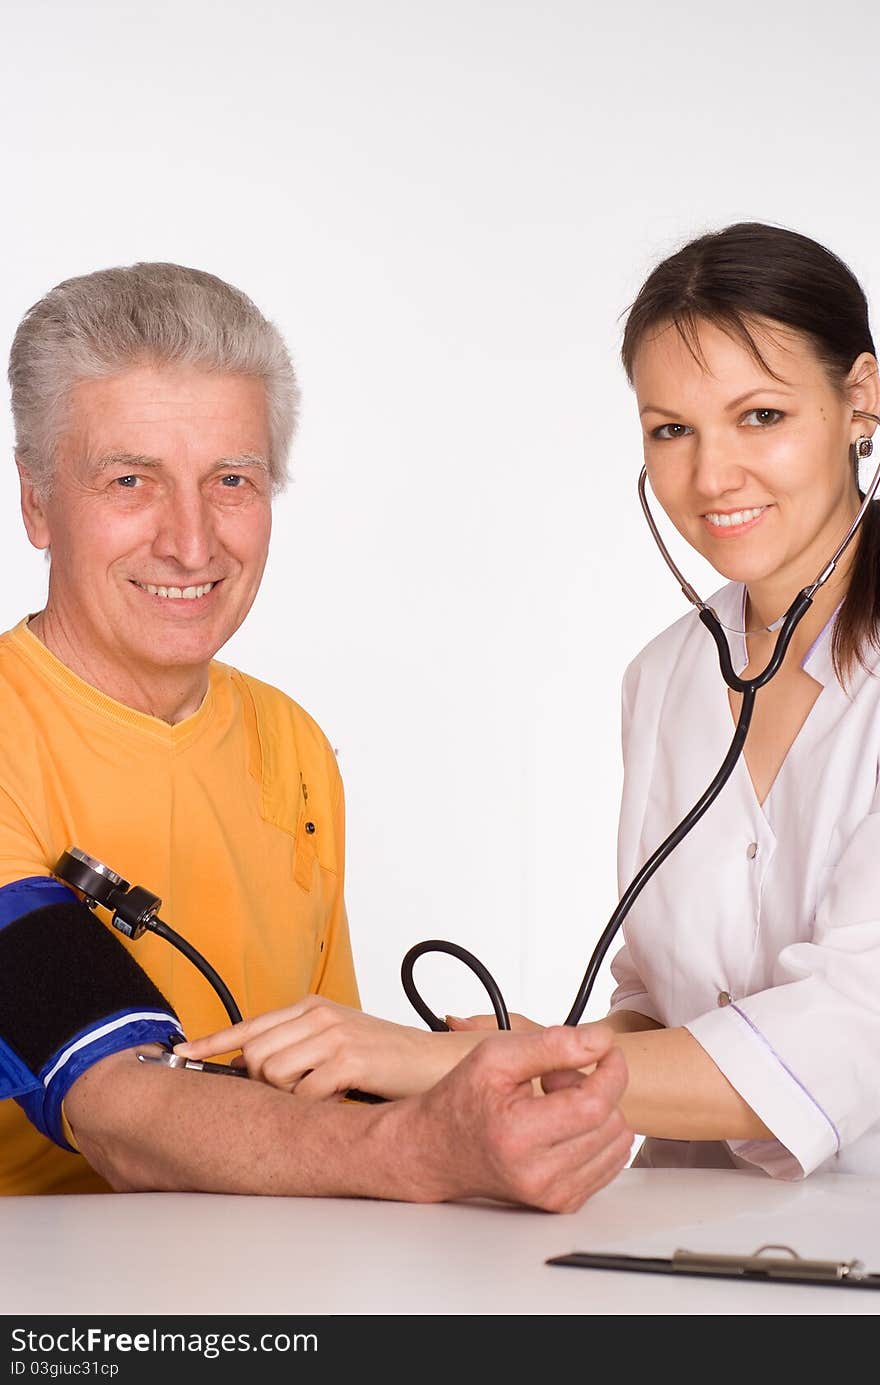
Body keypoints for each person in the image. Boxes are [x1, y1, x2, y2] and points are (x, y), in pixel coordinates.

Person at [180, 222, 880, 1181]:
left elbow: (849, 1028)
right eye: (671, 429)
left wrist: (441, 1059)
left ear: (860, 399)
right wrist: (542, 1057)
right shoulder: (666, 677)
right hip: (692, 1246)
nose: (711, 476)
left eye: (761, 416)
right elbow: (663, 999)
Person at [0, 261, 632, 1208]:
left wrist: (468, 1082)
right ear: (39, 503)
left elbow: (316, 1080)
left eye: (231, 480)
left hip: (272, 1289)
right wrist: (424, 1145)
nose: (191, 540)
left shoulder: (288, 742)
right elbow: (119, 1109)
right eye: (130, 480)